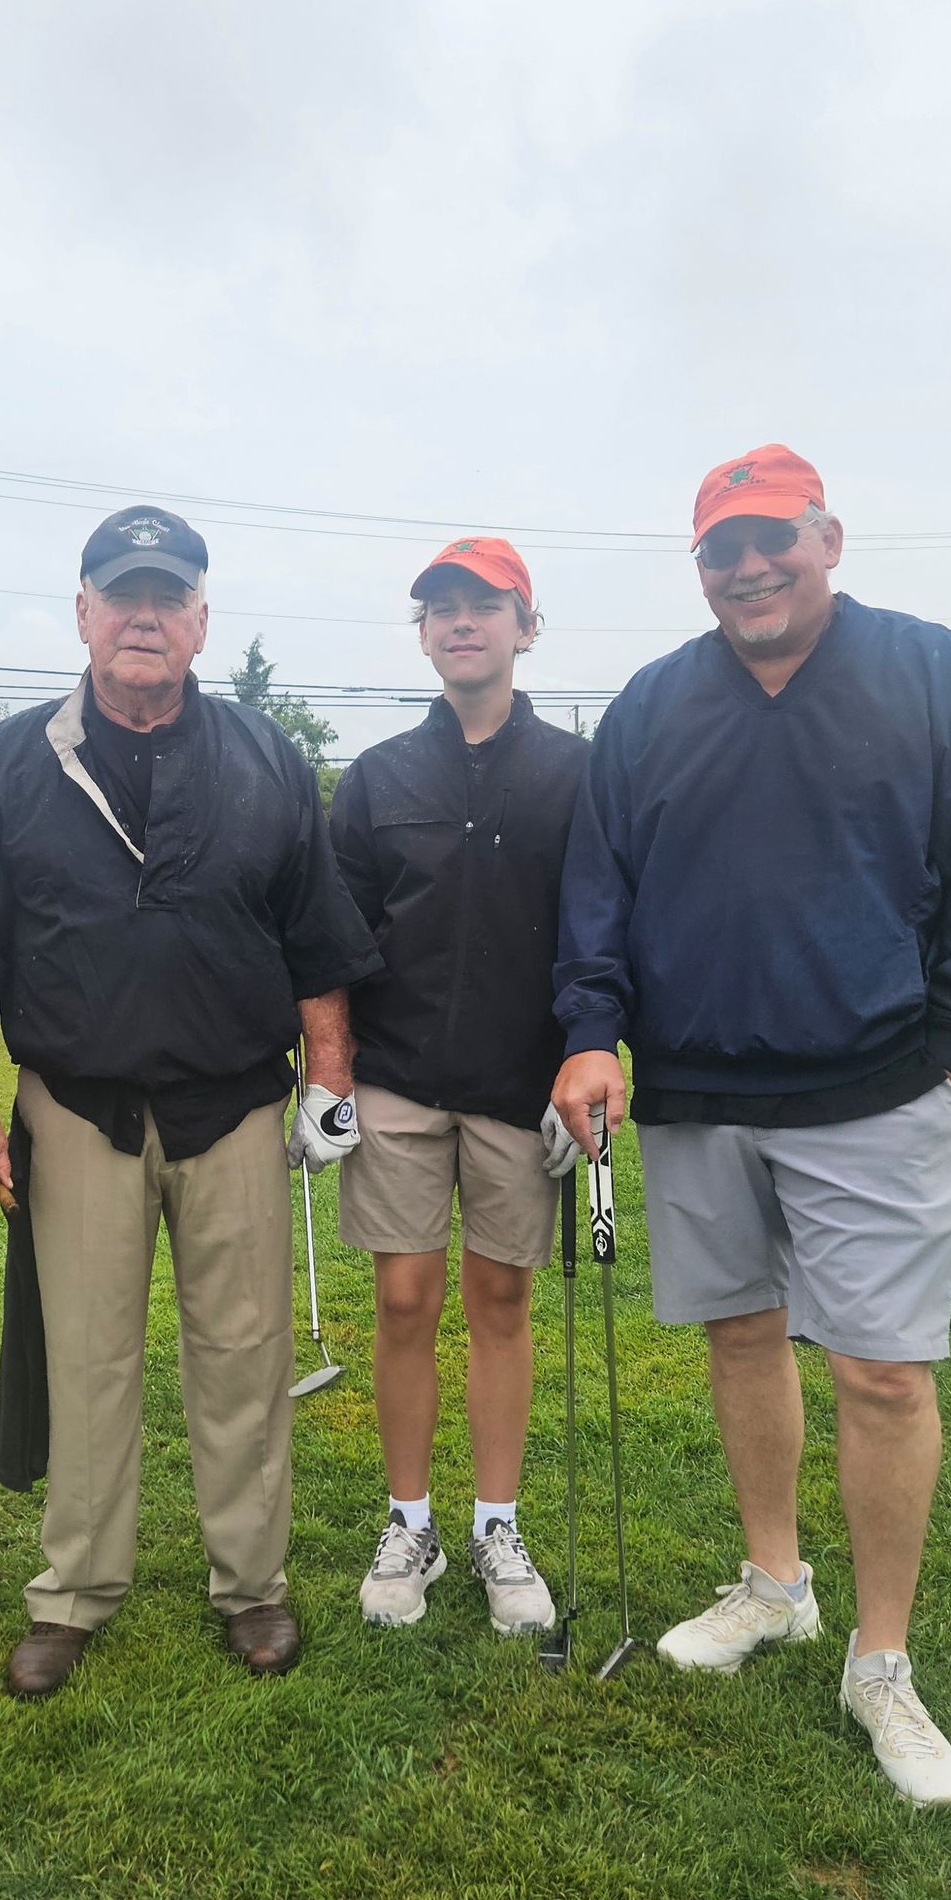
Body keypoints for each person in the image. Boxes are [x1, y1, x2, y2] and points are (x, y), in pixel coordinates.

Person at [550, 446, 951, 1804]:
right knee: (740, 1335)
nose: (749, 566)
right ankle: (776, 1584)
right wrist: (591, 1032)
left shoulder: (936, 675)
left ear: (828, 537)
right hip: (703, 1096)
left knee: (884, 1373)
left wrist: (948, 1058)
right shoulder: (654, 706)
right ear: (698, 565)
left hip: (880, 1090)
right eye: (722, 548)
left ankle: (880, 1663)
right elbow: (597, 894)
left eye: (773, 538)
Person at [0, 505, 381, 1699]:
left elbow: (316, 939)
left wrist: (329, 1074)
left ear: (199, 621)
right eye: (119, 594)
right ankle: (73, 1595)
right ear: (82, 613)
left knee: (245, 1358)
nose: (143, 615)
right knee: (86, 1365)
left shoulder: (265, 757)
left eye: (166, 596)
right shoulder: (18, 762)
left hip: (232, 1108)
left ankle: (254, 1588)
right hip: (76, 1113)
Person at [330, 537, 588, 1634]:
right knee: (401, 1299)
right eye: (440, 607)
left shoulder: (581, 775)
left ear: (527, 626)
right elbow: (333, 941)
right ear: (425, 633)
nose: (460, 621)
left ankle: (495, 1525)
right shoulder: (378, 776)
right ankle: (410, 1521)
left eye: (483, 605)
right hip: (395, 1077)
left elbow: (601, 933)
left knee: (501, 1301)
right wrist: (326, 1078)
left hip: (519, 1083)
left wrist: (590, 1054)